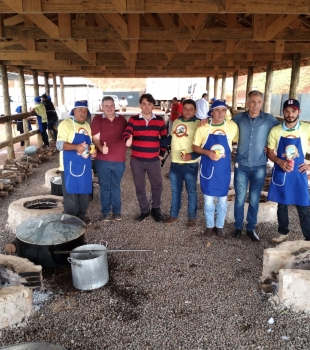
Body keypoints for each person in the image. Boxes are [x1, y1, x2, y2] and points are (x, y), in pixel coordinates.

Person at [232, 90, 279, 241]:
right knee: (239, 198)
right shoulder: (238, 118)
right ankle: (238, 227)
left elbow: (281, 132)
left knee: (254, 199)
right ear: (247, 103)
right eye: (253, 101)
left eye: (259, 102)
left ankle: (251, 228)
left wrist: (272, 148)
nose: (256, 105)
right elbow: (222, 126)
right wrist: (205, 120)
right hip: (242, 165)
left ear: (262, 103)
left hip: (259, 166)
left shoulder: (270, 119)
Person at [192, 99, 239, 238]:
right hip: (208, 169)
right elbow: (194, 147)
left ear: (226, 112)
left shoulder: (232, 126)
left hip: (223, 170)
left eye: (223, 110)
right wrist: (207, 152)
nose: (220, 113)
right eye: (217, 110)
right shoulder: (203, 127)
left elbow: (237, 141)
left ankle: (220, 227)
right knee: (208, 202)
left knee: (222, 202)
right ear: (211, 112)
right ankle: (209, 225)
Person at [267, 99, 310, 243]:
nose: (290, 114)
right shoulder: (276, 130)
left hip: (299, 173)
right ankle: (283, 232)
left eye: (293, 111)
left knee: (303, 205)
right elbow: (270, 152)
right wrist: (280, 161)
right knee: (282, 204)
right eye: (287, 111)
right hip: (282, 172)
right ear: (283, 112)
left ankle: (308, 237)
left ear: (299, 112)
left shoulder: (306, 129)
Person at [123, 93, 167, 222]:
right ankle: (144, 210)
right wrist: (127, 139)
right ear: (140, 105)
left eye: (149, 103)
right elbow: (127, 132)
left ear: (153, 105)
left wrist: (161, 154)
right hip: (137, 160)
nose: (146, 106)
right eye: (144, 103)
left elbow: (164, 138)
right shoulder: (133, 119)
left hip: (153, 160)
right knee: (140, 187)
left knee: (157, 185)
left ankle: (156, 209)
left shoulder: (159, 120)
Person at [56, 100, 95, 225]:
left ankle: (82, 216)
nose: (83, 113)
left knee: (84, 192)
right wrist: (76, 147)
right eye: (80, 110)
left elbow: (89, 144)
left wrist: (91, 152)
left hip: (84, 165)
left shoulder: (87, 126)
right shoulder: (66, 124)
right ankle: (70, 220)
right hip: (68, 166)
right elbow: (59, 144)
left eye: (85, 110)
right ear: (73, 111)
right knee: (71, 195)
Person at [163, 99, 200, 228]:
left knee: (191, 192)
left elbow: (203, 146)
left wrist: (192, 155)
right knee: (175, 191)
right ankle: (173, 215)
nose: (188, 111)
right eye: (186, 108)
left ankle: (192, 217)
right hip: (175, 164)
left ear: (195, 110)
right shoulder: (177, 122)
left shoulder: (199, 124)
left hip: (190, 165)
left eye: (191, 109)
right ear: (181, 109)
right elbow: (171, 139)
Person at [91, 96, 127, 222]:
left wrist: (130, 140)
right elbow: (95, 139)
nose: (109, 108)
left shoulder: (122, 119)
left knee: (116, 186)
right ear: (102, 107)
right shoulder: (97, 120)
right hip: (103, 161)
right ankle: (105, 212)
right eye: (106, 106)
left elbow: (127, 135)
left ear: (115, 106)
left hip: (119, 160)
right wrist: (101, 148)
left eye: (111, 105)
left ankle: (117, 211)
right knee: (105, 187)